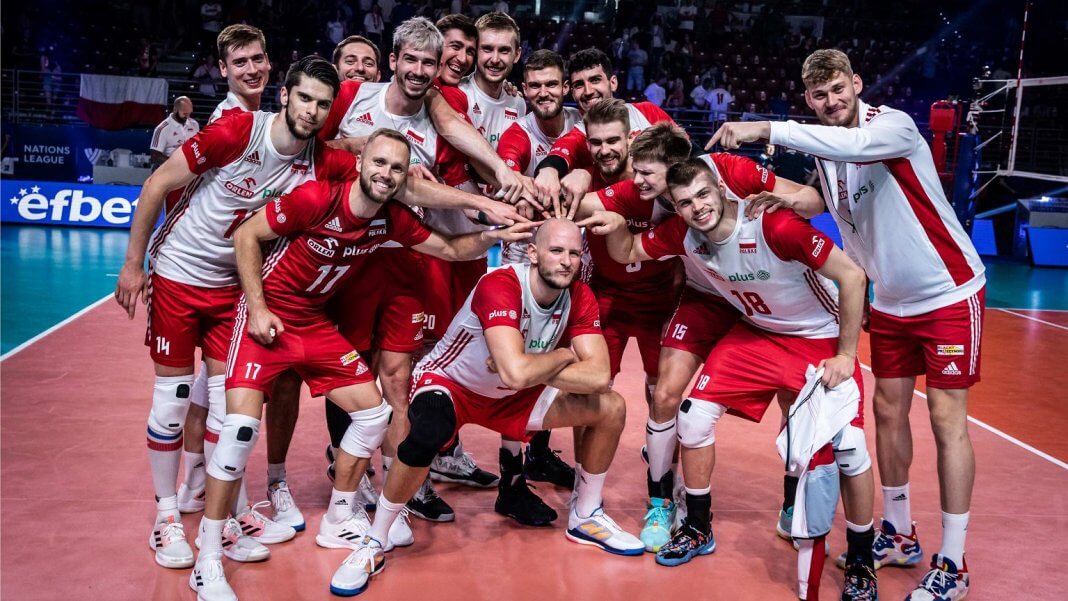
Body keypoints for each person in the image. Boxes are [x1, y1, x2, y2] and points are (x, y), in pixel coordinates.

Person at [192, 129, 533, 601]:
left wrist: (495, 236)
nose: (385, 174)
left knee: (374, 414)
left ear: (404, 177)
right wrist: (259, 307)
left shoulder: (390, 219)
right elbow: (247, 233)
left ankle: (338, 517)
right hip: (268, 317)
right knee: (239, 430)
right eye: (378, 163)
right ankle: (208, 557)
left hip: (312, 323)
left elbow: (453, 249)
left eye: (396, 168)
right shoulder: (316, 198)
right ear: (359, 163)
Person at [708, 48, 986, 601]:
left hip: (948, 293)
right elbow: (826, 198)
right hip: (891, 303)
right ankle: (899, 532)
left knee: (945, 419)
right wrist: (780, 197)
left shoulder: (892, 127)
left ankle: (954, 563)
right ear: (809, 100)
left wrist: (766, 128)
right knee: (887, 414)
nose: (832, 101)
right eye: (820, 95)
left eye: (838, 88)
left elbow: (854, 148)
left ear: (857, 83)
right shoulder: (829, 150)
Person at [585, 157, 878, 599]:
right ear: (676, 208)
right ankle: (697, 526)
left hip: (816, 338)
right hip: (757, 334)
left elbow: (853, 276)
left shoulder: (775, 226)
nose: (698, 207)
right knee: (692, 418)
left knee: (850, 449)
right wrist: (615, 224)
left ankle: (861, 560)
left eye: (704, 195)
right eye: (685, 202)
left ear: (721, 191)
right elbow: (626, 251)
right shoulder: (684, 234)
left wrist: (846, 354)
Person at [115, 57, 355, 573]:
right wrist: (134, 265)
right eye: (304, 98)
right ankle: (166, 517)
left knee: (233, 412)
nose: (311, 111)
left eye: (322, 104)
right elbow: (156, 185)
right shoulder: (238, 132)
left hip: (236, 290)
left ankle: (224, 518)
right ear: (285, 95)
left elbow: (383, 174)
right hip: (180, 272)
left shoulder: (321, 160)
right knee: (173, 400)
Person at [332, 218, 645, 597]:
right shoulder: (500, 284)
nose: (566, 261)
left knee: (610, 407)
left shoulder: (580, 296)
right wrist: (563, 356)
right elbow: (515, 371)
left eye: (574, 253)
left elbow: (597, 375)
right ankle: (375, 541)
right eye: (556, 251)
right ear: (534, 253)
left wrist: (532, 364)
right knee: (428, 433)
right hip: (452, 383)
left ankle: (586, 515)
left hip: (517, 393)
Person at [533, 48, 676, 211]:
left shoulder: (646, 112)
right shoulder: (579, 134)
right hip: (613, 210)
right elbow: (555, 159)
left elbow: (691, 154)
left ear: (613, 82)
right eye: (579, 85)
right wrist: (550, 172)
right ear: (572, 93)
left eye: (595, 80)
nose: (588, 91)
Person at [150, 97, 199, 167]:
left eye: (189, 113)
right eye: (185, 114)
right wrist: (177, 165)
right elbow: (155, 157)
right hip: (168, 169)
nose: (187, 117)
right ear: (175, 110)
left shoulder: (194, 124)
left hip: (189, 168)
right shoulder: (162, 129)